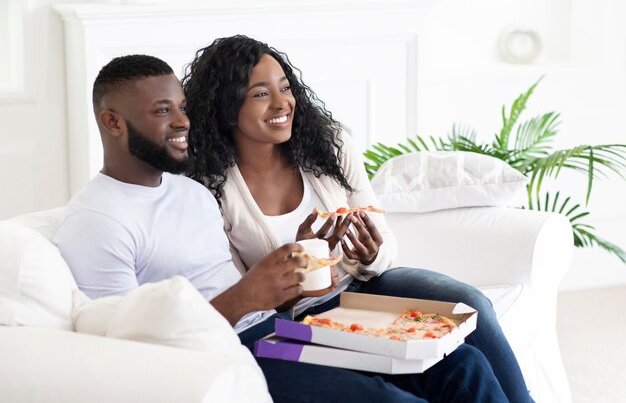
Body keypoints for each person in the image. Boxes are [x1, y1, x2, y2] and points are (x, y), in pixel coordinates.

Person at [54, 54, 508, 403]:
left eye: (182, 108)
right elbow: (121, 354)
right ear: (112, 121)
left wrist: (294, 280)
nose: (181, 122)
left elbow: (251, 299)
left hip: (279, 334)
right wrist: (249, 295)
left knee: (460, 364)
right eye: (161, 111)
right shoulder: (96, 222)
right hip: (226, 357)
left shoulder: (187, 192)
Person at [182, 35, 533, 403]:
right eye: (260, 94)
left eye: (285, 87)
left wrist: (371, 253)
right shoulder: (210, 190)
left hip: (365, 286)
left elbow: (384, 245)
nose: (282, 103)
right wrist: (296, 264)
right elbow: (244, 300)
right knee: (452, 366)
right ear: (225, 107)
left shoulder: (328, 145)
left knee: (466, 302)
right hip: (292, 318)